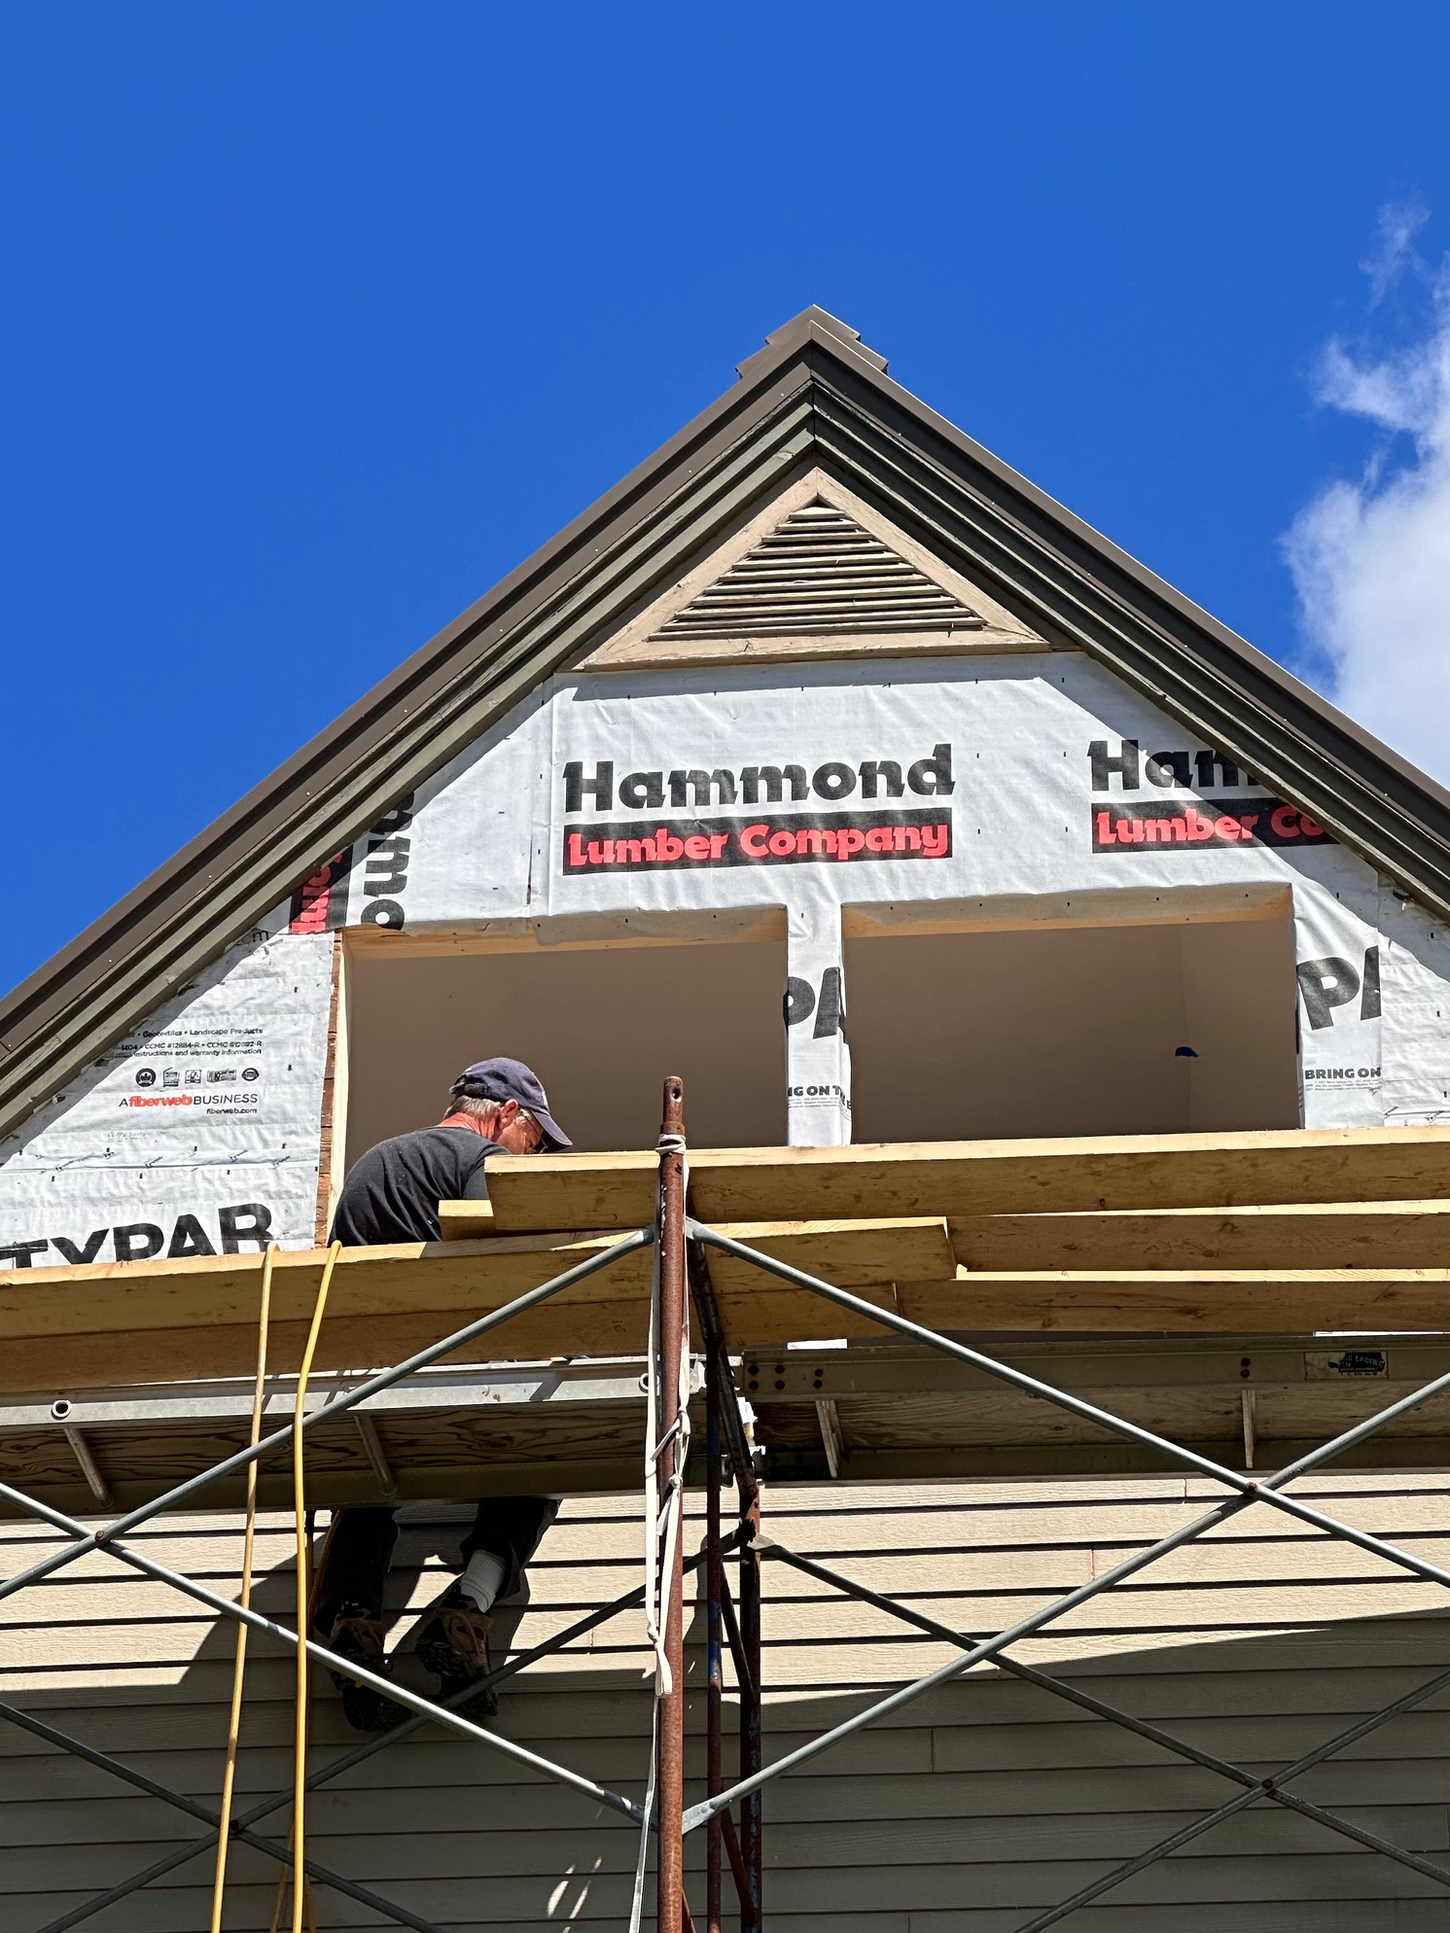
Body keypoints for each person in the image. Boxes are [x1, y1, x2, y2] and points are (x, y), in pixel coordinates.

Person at [314, 1056, 572, 1732]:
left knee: (367, 1485)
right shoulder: (484, 1160)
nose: (532, 1155)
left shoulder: (370, 1164)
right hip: (456, 1375)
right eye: (534, 1140)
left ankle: (352, 1621)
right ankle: (468, 1605)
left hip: (367, 1383)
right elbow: (500, 1267)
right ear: (507, 1113)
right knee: (547, 1454)